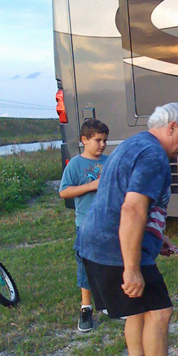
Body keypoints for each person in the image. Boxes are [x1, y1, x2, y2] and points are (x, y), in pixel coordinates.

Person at [76, 103, 178, 356]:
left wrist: (156, 237)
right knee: (160, 312)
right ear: (171, 127)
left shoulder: (134, 143)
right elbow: (131, 209)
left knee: (138, 313)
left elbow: (124, 200)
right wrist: (132, 269)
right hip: (115, 250)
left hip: (95, 243)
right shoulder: (154, 156)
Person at [59, 118, 109, 332]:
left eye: (105, 140)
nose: (102, 145)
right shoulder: (76, 165)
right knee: (86, 266)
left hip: (109, 222)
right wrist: (91, 186)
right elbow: (64, 192)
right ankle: (86, 308)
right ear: (84, 140)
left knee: (110, 263)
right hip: (86, 224)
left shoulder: (109, 161)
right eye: (97, 140)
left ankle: (108, 302)